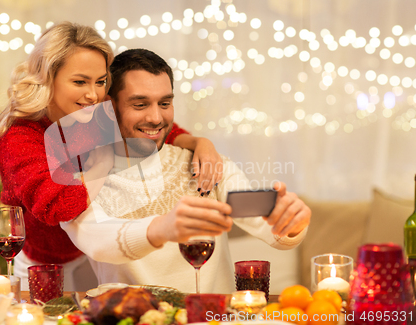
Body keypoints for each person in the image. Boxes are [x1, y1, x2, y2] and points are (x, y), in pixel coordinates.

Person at [0, 22, 225, 291]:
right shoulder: (19, 137)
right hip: (43, 263)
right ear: (48, 77)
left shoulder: (94, 109)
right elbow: (57, 205)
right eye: (79, 81)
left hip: (90, 254)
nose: (93, 94)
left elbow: (153, 128)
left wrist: (200, 143)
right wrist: (105, 159)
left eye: (100, 81)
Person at [61, 49, 312, 294]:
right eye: (140, 104)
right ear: (108, 107)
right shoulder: (78, 183)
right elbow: (100, 242)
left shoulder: (206, 164)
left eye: (165, 103)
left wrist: (289, 221)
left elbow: (263, 221)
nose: (156, 117)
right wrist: (162, 228)